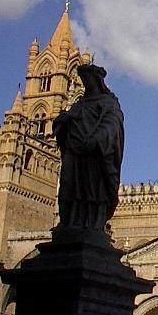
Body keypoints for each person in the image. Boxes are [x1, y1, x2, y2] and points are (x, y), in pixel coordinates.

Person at [53, 63, 124, 233]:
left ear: (96, 80)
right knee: (68, 187)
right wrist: (63, 121)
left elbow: (112, 125)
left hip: (95, 154)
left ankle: (93, 225)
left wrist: (96, 139)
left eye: (87, 78)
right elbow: (63, 126)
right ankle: (68, 222)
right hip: (75, 154)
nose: (85, 82)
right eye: (83, 78)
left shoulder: (108, 104)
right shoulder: (79, 104)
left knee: (94, 191)